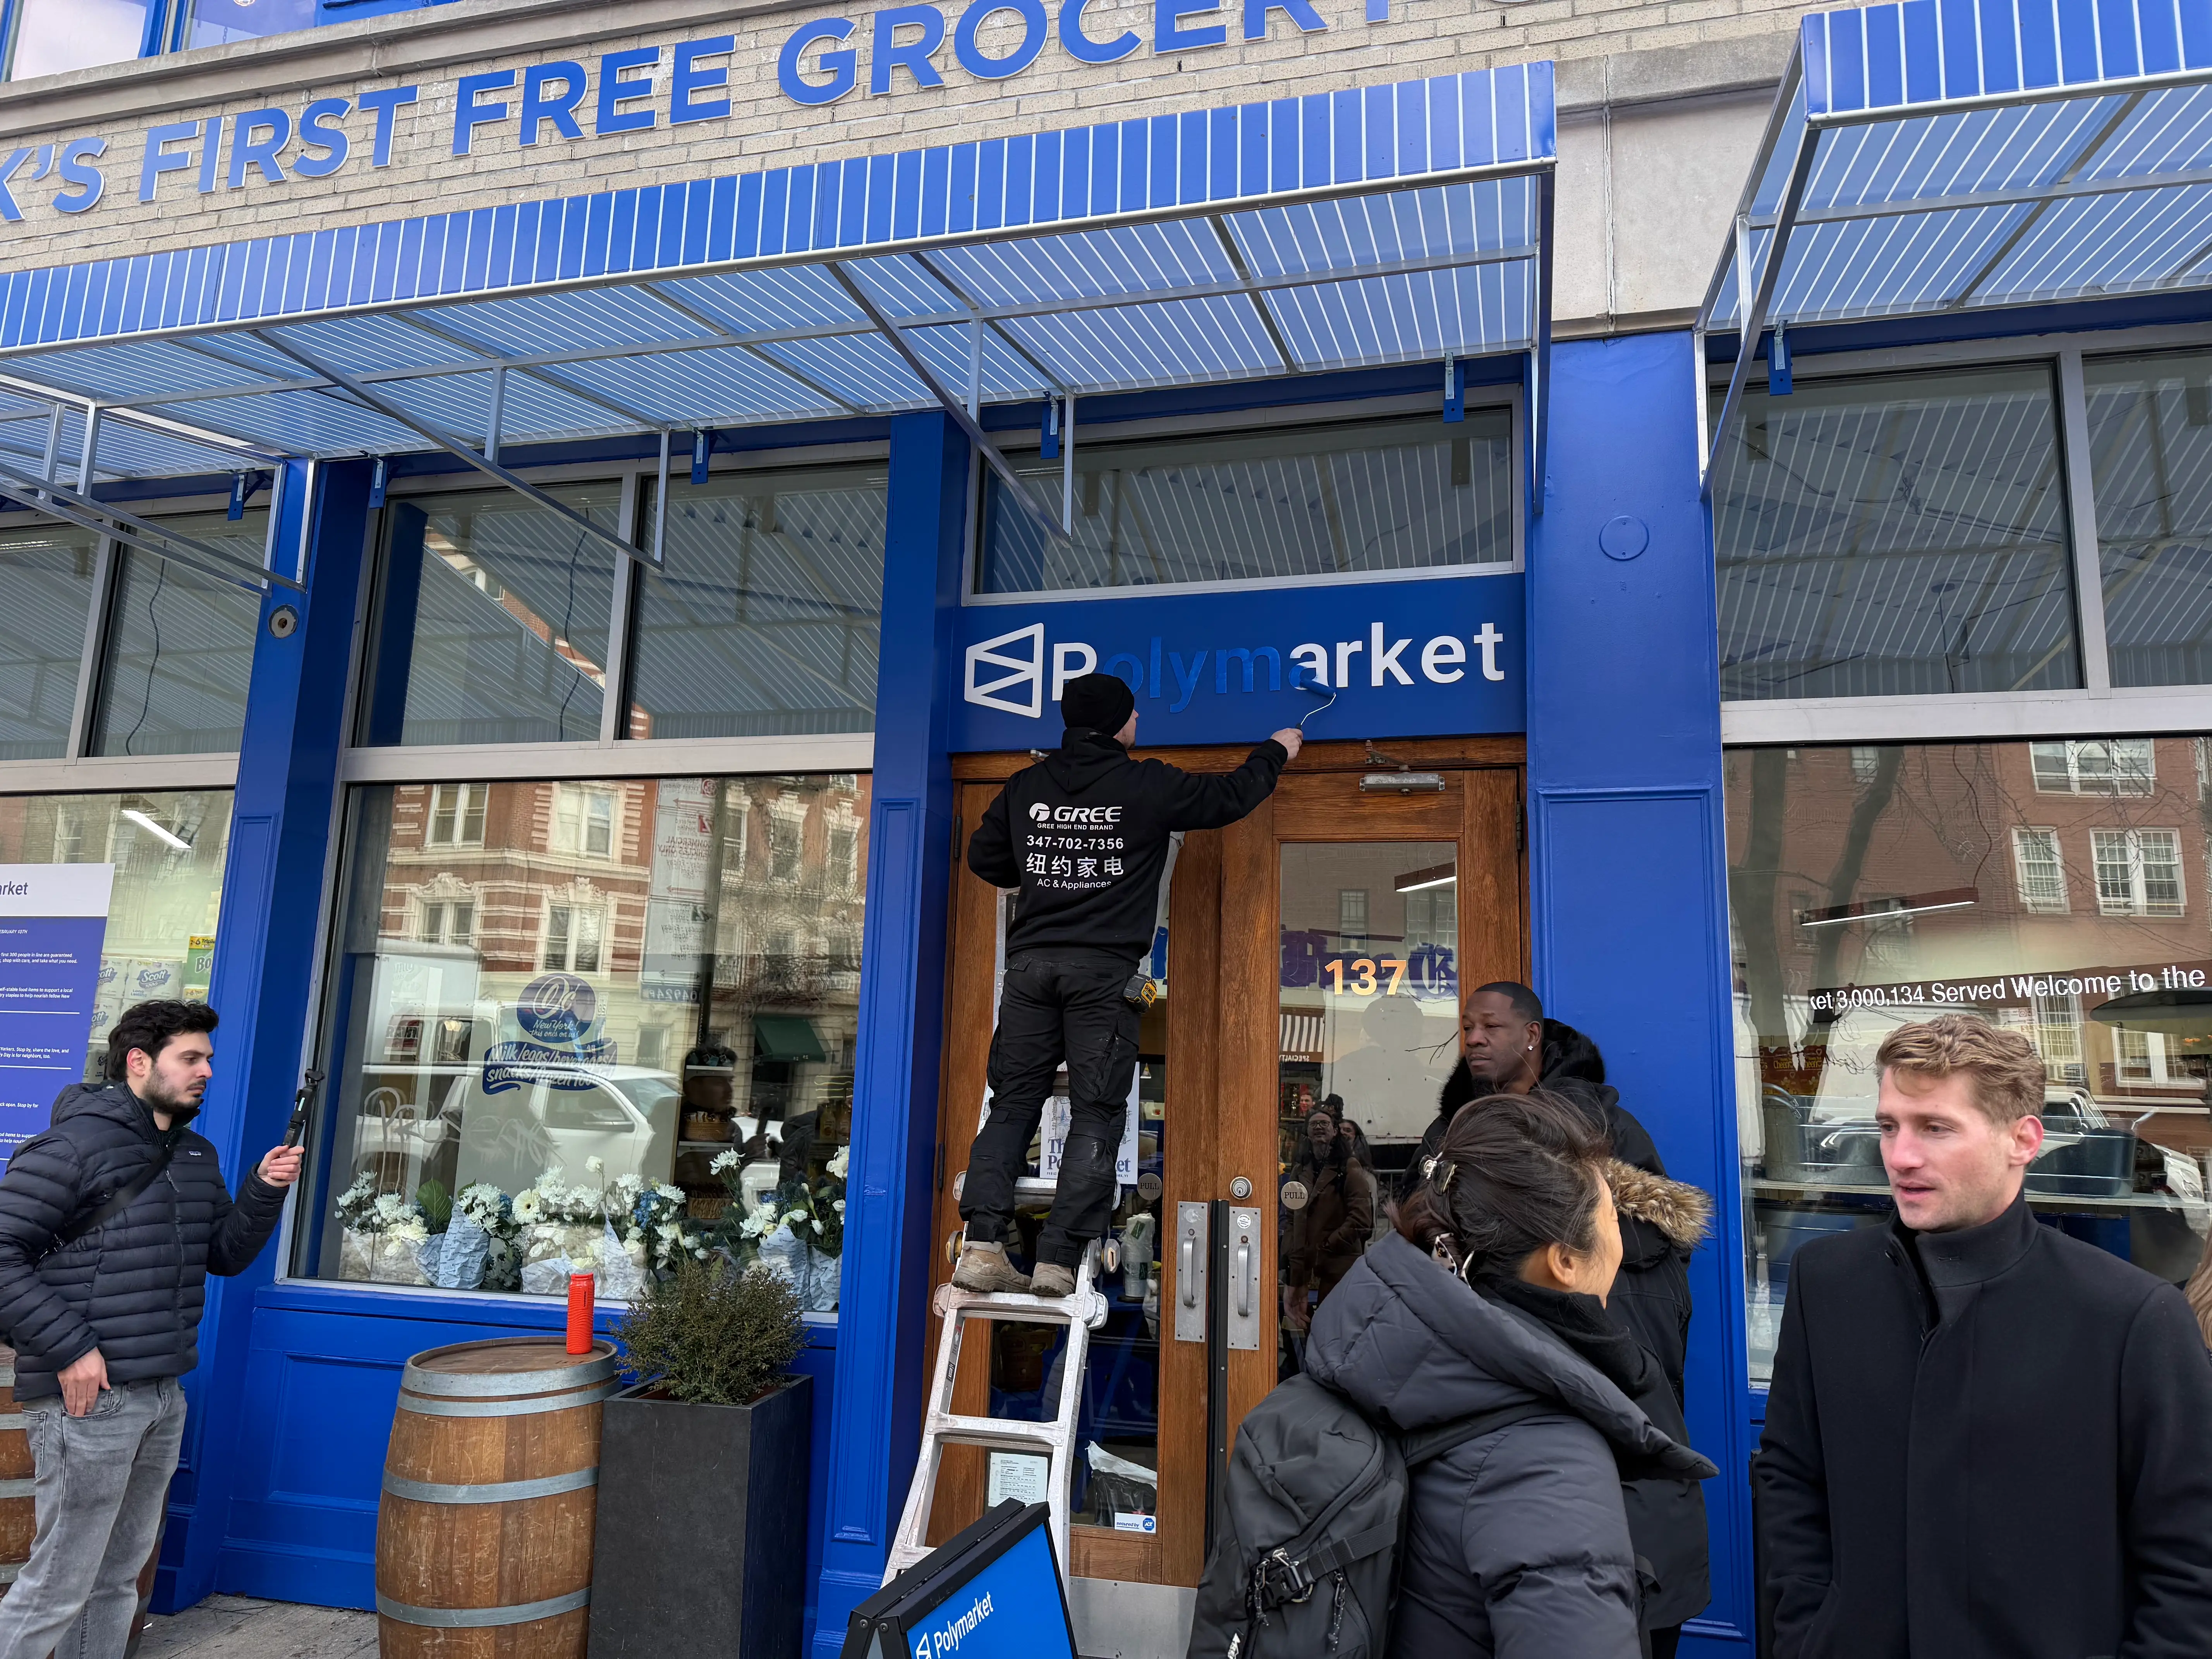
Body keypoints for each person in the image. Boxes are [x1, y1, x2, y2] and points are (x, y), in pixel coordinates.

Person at [1757, 1013, 2212, 1659]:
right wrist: (1808, 1626)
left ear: (2021, 1139)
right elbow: (1792, 1472)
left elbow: (2189, 1555)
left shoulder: (2130, 1315)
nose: (1901, 1154)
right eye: (1889, 1125)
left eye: (1935, 1127)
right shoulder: (1826, 1280)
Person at [1304, 1091, 1717, 1659]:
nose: (1622, 1233)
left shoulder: (1370, 1359)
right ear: (1566, 1261)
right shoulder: (1551, 1466)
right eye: (1609, 1214)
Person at [956, 672, 1301, 1298]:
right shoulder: (1145, 783)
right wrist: (1276, 748)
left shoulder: (1026, 787)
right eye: (1134, 713)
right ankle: (1057, 1258)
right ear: (1120, 722)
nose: (1138, 720)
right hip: (1102, 974)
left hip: (1032, 968)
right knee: (1096, 1110)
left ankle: (981, 1243)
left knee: (1011, 1104)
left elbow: (986, 858)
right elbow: (1228, 797)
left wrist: (1042, 871)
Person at [1402, 990, 1711, 1653]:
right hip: (1508, 1521)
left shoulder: (1603, 1151)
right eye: (1468, 1027)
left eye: (1492, 1026)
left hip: (1620, 1517)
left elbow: (1661, 1312)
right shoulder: (1453, 1142)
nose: (1475, 1038)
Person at [0, 1000, 302, 1659]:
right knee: (59, 1579)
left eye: (209, 1060)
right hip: (88, 1398)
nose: (206, 1072)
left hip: (162, 1394)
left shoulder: (194, 1150)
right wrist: (71, 1345)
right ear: (139, 1062)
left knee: (118, 1580)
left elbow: (221, 1252)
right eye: (190, 1058)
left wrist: (263, 1187)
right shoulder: (71, 1145)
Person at [1280, 1104, 1375, 1331]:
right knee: (1299, 1331)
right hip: (1305, 1269)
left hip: (1338, 1269)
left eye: (1325, 1124)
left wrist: (1326, 1246)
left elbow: (1362, 1221)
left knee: (1334, 1331)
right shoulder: (1299, 1171)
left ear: (1335, 1132)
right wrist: (1294, 1273)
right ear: (1307, 1133)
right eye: (1313, 1124)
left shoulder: (1350, 1168)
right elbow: (1294, 1221)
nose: (1319, 1128)